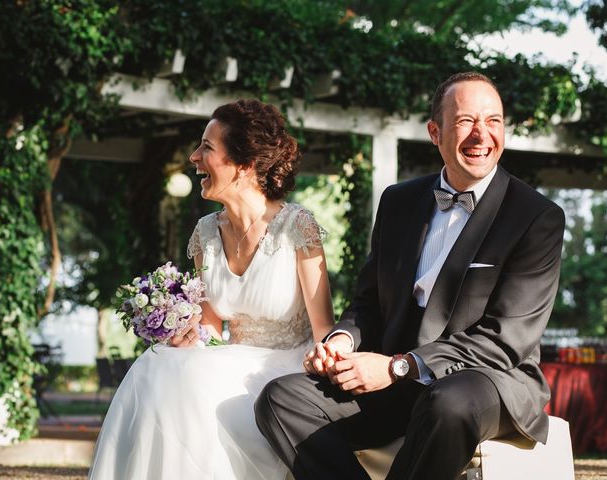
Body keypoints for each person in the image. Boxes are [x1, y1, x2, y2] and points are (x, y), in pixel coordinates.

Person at [255, 72, 566, 480]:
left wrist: (397, 367)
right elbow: (369, 304)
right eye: (466, 121)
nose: (482, 135)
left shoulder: (536, 217)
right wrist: (341, 341)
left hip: (487, 381)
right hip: (394, 378)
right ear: (435, 132)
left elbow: (504, 341)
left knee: (447, 403)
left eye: (493, 121)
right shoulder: (398, 201)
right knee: (280, 399)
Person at [88, 99, 335, 480]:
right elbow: (209, 329)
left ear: (245, 164)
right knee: (157, 362)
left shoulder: (297, 227)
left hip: (283, 369)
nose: (193, 157)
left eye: (207, 147)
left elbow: (324, 334)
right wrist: (190, 336)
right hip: (229, 360)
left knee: (178, 379)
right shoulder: (206, 232)